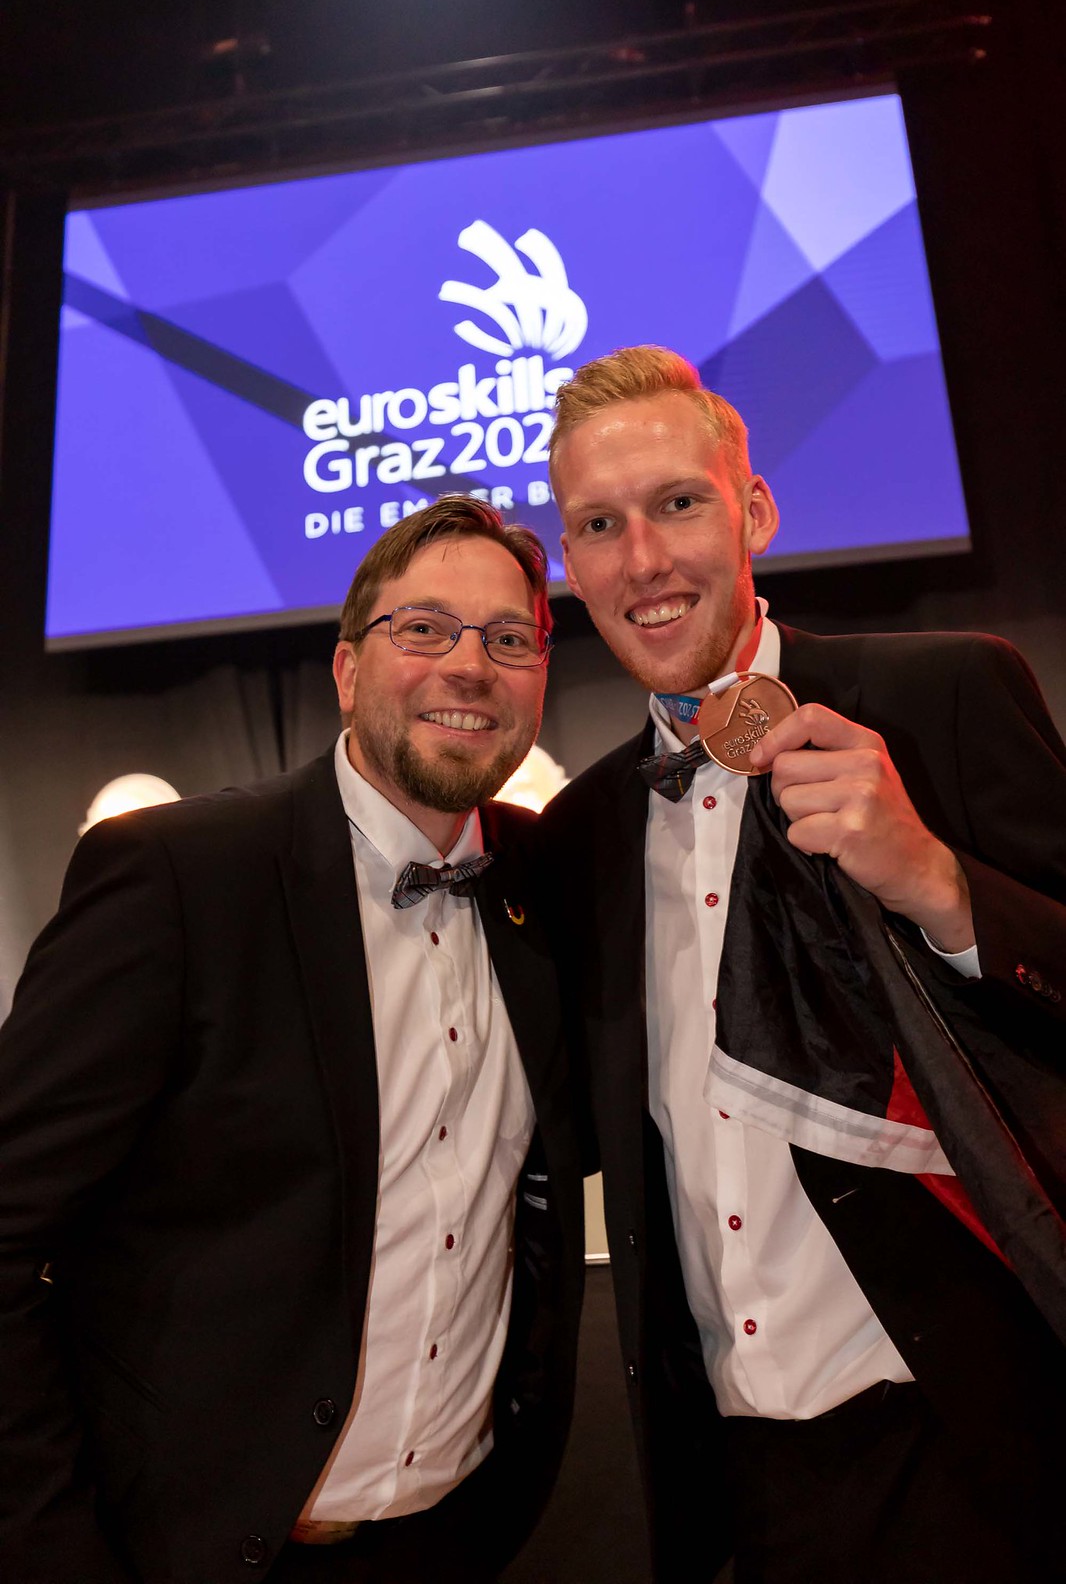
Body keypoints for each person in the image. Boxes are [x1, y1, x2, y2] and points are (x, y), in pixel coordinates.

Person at [540, 346, 1066, 1584]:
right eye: (598, 526)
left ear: (754, 510)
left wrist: (937, 882)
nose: (644, 561)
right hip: (734, 1491)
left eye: (677, 503)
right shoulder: (585, 832)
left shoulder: (941, 695)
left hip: (976, 1443)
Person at [0, 496, 584, 1584]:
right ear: (347, 670)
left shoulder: (550, 887)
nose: (470, 665)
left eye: (509, 639)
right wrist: (50, 1548)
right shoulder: (180, 877)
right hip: (190, 1552)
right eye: (423, 629)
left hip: (457, 1535)